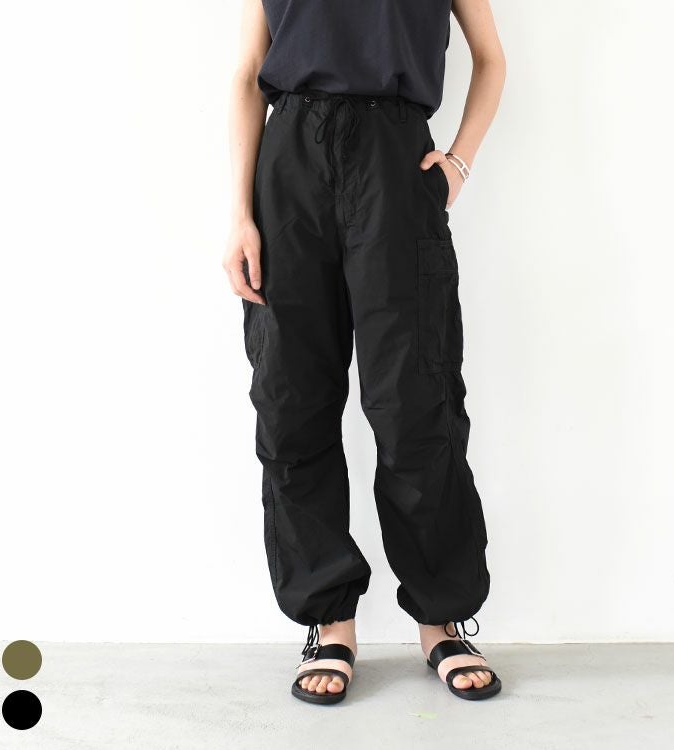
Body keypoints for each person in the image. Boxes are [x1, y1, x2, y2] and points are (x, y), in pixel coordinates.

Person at [223, 0, 506, 705]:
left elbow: (491, 58)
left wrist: (458, 162)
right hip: (290, 164)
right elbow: (250, 72)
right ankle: (330, 622)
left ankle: (441, 618)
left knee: (416, 399)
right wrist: (241, 214)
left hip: (395, 160)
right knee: (291, 398)